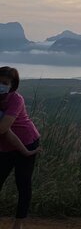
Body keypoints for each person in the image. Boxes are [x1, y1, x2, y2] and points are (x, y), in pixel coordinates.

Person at [0, 67, 41, 229]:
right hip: (4, 146)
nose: (0, 85)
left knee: (23, 183)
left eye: (4, 83)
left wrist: (26, 151)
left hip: (27, 141)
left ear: (12, 85)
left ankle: (19, 223)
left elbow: (3, 128)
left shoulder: (16, 99)